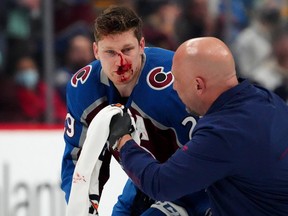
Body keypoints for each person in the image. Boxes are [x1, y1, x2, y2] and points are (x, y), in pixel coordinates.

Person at [107, 37, 288, 216]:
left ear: (198, 85)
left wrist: (123, 140)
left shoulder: (224, 133)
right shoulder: (263, 98)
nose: (175, 88)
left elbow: (160, 184)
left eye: (176, 79)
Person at [60, 5, 210, 216]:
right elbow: (77, 161)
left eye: (127, 50)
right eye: (110, 52)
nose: (121, 62)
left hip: (203, 189)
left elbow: (215, 148)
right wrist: (81, 207)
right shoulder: (83, 90)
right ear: (95, 52)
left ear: (141, 45)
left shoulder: (176, 78)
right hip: (146, 182)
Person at [14, 55, 66, 123]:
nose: (27, 72)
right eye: (23, 69)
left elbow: (61, 111)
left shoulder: (46, 90)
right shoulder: (12, 95)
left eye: (30, 68)